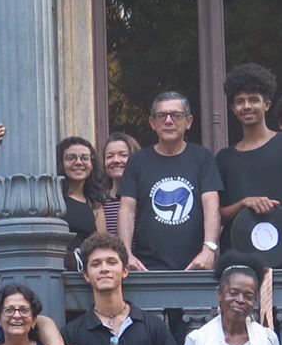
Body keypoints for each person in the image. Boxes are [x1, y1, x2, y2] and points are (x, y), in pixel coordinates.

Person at [215, 64, 282, 278]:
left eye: (253, 99)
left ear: (267, 105)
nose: (246, 106)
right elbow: (218, 215)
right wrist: (244, 203)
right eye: (240, 101)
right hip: (238, 262)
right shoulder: (224, 158)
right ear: (233, 108)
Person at [117, 91, 222, 273]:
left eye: (176, 115)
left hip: (196, 266)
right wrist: (126, 254)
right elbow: (127, 210)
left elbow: (212, 207)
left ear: (188, 122)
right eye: (161, 115)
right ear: (152, 123)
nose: (168, 121)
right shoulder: (137, 161)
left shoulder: (202, 158)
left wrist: (209, 250)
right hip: (146, 268)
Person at [58, 136, 110, 265]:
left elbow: (102, 244)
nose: (78, 162)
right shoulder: (53, 198)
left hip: (85, 270)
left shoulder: (94, 203)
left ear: (92, 164)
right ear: (60, 162)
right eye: (71, 157)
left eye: (85, 158)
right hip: (58, 267)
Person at [100, 132, 139, 241]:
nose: (116, 160)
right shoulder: (98, 202)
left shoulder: (146, 200)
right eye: (109, 156)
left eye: (123, 155)